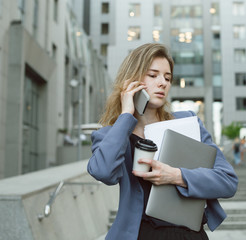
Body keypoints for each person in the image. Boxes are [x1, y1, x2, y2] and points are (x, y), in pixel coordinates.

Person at [87, 43, 238, 240]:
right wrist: (126, 115)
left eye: (167, 77)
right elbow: (103, 172)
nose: (163, 83)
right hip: (141, 234)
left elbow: (228, 181)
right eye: (153, 75)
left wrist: (176, 176)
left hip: (188, 235)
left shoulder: (188, 122)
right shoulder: (111, 135)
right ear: (132, 80)